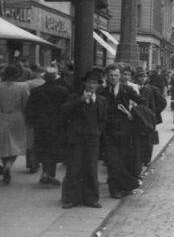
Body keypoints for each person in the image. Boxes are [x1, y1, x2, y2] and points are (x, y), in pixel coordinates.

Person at [99, 63, 147, 199]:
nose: (113, 78)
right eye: (111, 75)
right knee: (111, 160)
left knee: (122, 159)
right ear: (106, 77)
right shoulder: (102, 92)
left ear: (119, 76)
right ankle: (114, 189)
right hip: (107, 131)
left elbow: (142, 101)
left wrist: (133, 114)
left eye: (116, 75)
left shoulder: (126, 90)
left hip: (124, 130)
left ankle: (121, 186)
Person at [61, 70, 107, 208]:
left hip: (92, 139)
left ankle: (92, 198)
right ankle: (72, 198)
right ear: (85, 84)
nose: (91, 86)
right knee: (73, 168)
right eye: (89, 83)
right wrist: (79, 101)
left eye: (94, 83)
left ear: (98, 86)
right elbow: (64, 110)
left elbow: (103, 119)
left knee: (91, 168)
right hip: (76, 138)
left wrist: (98, 132)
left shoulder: (101, 101)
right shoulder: (75, 97)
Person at [25, 66, 70, 186]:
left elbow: (29, 108)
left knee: (43, 148)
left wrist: (31, 122)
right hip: (57, 125)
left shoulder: (36, 91)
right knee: (54, 149)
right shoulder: (63, 91)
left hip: (41, 124)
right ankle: (49, 174)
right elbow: (66, 108)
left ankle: (46, 172)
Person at [0, 64, 30, 184]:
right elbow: (26, 102)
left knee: (3, 144)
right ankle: (9, 165)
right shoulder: (23, 86)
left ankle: (5, 164)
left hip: (2, 115)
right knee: (17, 144)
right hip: (17, 116)